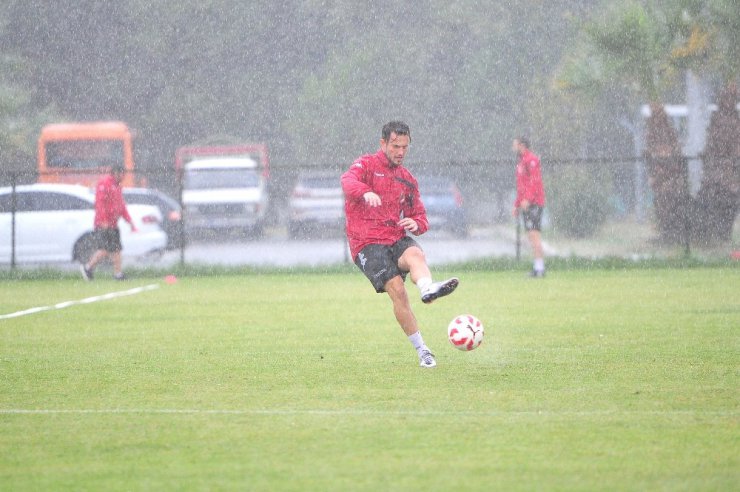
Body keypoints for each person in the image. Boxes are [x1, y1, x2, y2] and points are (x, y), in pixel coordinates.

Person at [341, 121, 459, 368]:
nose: (400, 152)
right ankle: (423, 350)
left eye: (405, 147)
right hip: (367, 243)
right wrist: (365, 192)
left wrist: (417, 224)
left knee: (415, 253)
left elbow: (421, 216)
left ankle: (427, 288)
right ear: (383, 143)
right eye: (395, 146)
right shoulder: (366, 165)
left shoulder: (407, 179)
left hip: (395, 237)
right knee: (397, 289)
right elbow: (347, 182)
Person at [80, 166, 137, 281]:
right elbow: (100, 204)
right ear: (116, 173)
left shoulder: (118, 186)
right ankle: (88, 267)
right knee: (105, 249)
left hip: (113, 224)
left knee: (116, 249)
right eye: (122, 174)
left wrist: (129, 221)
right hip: (103, 224)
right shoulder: (104, 184)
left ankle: (118, 274)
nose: (124, 177)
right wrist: (103, 220)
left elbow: (121, 206)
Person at [512, 137, 546, 277]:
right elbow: (521, 187)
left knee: (534, 235)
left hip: (534, 203)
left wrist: (528, 199)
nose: (513, 147)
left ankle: (540, 268)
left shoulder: (531, 160)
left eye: (515, 144)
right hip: (526, 204)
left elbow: (535, 181)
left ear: (522, 145)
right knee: (531, 236)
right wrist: (516, 204)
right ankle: (537, 267)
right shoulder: (521, 163)